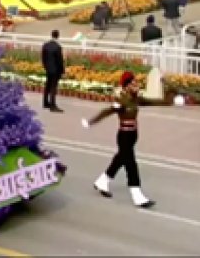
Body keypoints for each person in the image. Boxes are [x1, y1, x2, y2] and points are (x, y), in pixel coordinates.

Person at [83, 71, 185, 208]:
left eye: (136, 82)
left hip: (132, 135)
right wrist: (91, 122)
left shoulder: (136, 98)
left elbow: (160, 101)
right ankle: (137, 194)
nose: (136, 85)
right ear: (126, 86)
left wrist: (169, 89)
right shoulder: (122, 99)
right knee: (131, 165)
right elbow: (106, 112)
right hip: (123, 136)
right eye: (132, 83)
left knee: (119, 159)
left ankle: (102, 181)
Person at [41, 30, 65, 113]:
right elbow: (60, 61)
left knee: (47, 85)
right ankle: (53, 106)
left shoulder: (46, 45)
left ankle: (45, 103)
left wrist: (45, 67)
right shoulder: (57, 47)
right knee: (53, 88)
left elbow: (43, 58)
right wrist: (62, 71)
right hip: (55, 70)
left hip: (48, 69)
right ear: (58, 36)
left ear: (51, 35)